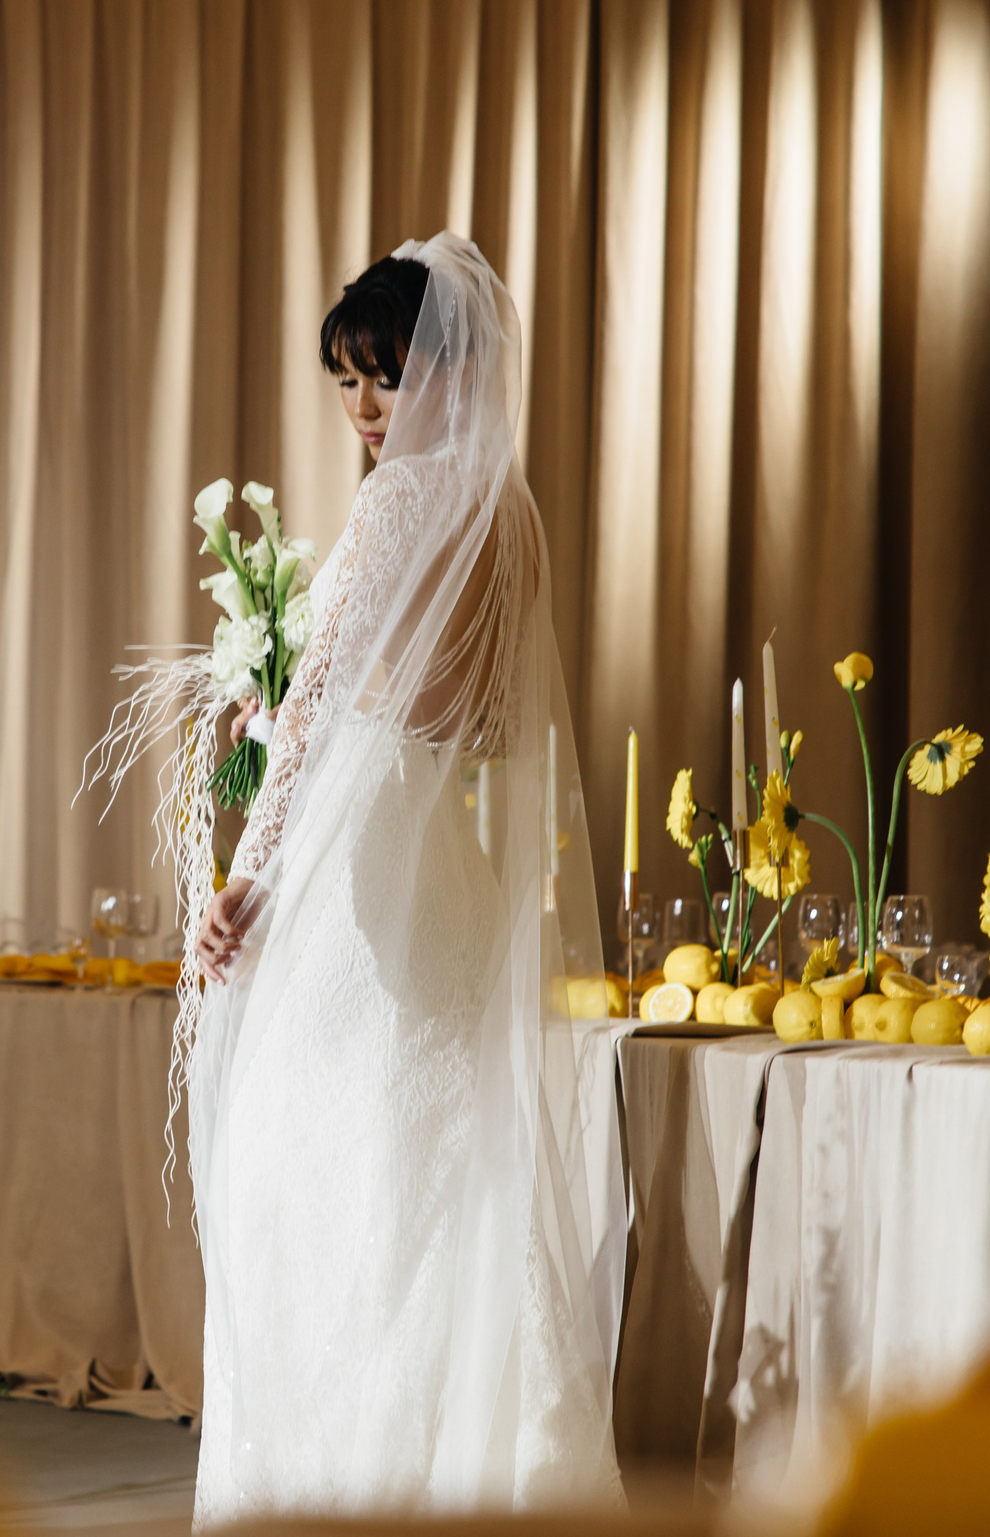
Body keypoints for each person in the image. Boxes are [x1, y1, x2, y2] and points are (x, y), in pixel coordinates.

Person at [182, 234, 625, 1521]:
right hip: (451, 882)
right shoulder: (517, 518)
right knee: (438, 1180)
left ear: (448, 368)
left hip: (351, 879)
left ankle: (338, 1487)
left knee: (310, 1186)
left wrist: (243, 884)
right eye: (347, 383)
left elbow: (319, 716)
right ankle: (474, 1466)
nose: (368, 412)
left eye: (387, 377)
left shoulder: (398, 503)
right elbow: (481, 731)